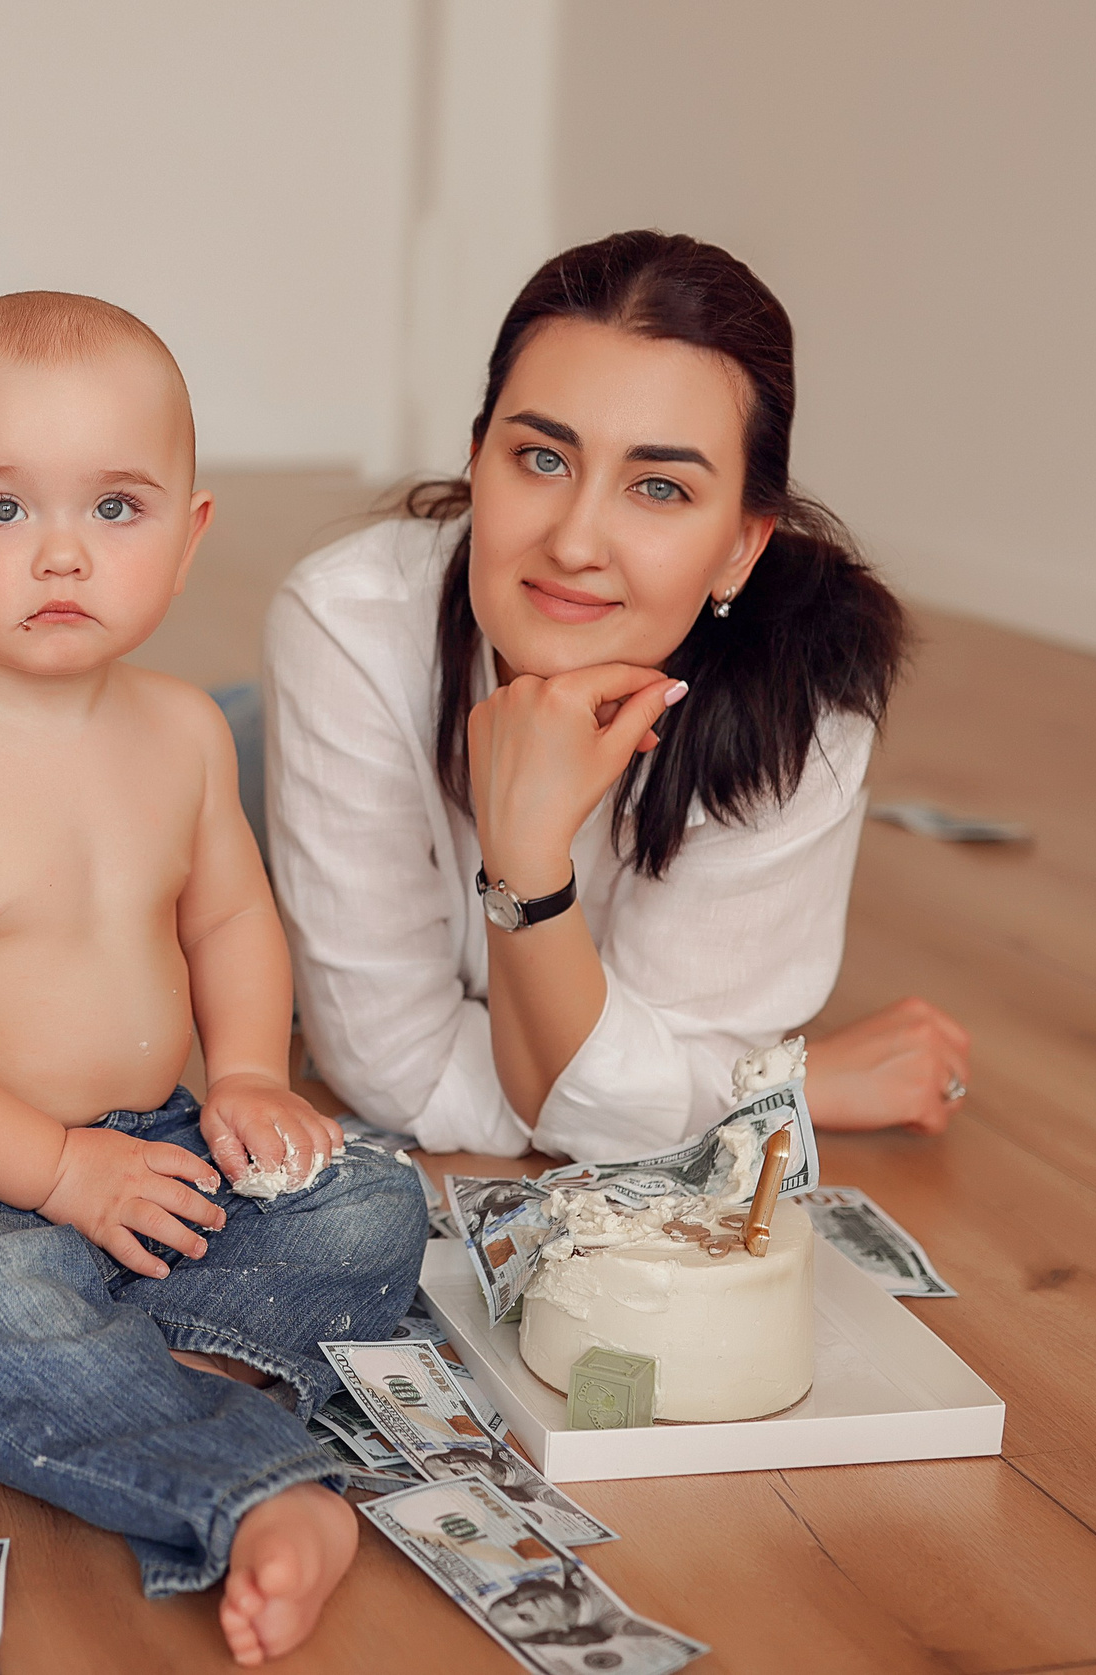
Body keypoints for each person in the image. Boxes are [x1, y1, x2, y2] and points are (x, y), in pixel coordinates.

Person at [0, 293, 428, 1666]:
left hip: (152, 1140)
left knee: (376, 1205)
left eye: (118, 508)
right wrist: (49, 1168)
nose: (64, 551)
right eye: (2, 511)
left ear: (191, 534)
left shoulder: (187, 731)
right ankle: (251, 1479)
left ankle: (127, 1354)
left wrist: (251, 1072)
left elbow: (231, 922)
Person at [263, 231, 972, 1160]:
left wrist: (526, 854)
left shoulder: (809, 698)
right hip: (271, 762)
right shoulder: (341, 624)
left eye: (660, 487)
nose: (575, 542)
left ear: (741, 545)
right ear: (477, 460)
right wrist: (778, 1086)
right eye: (543, 460)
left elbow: (569, 1101)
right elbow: (397, 1067)